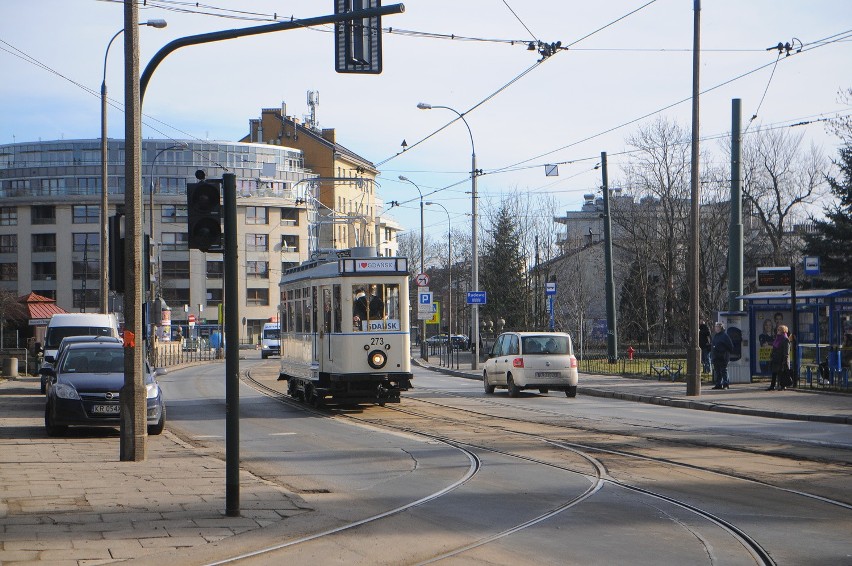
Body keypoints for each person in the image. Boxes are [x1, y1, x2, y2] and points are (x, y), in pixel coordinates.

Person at [710, 321, 734, 390]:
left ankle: (726, 384)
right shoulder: (716, 335)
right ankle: (718, 384)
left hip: (723, 356)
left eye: (717, 326)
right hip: (716, 356)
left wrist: (724, 352)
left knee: (724, 370)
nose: (715, 328)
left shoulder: (725, 336)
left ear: (720, 327)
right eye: (715, 326)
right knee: (717, 371)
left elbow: (731, 346)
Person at [767, 324, 791, 391]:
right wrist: (771, 355)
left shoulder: (785, 339)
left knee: (781, 373)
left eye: (779, 330)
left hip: (781, 359)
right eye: (778, 330)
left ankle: (782, 386)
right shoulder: (777, 338)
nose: (777, 331)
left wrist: (785, 360)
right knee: (774, 373)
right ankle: (772, 386)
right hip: (775, 359)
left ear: (783, 331)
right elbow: (774, 348)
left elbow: (786, 351)